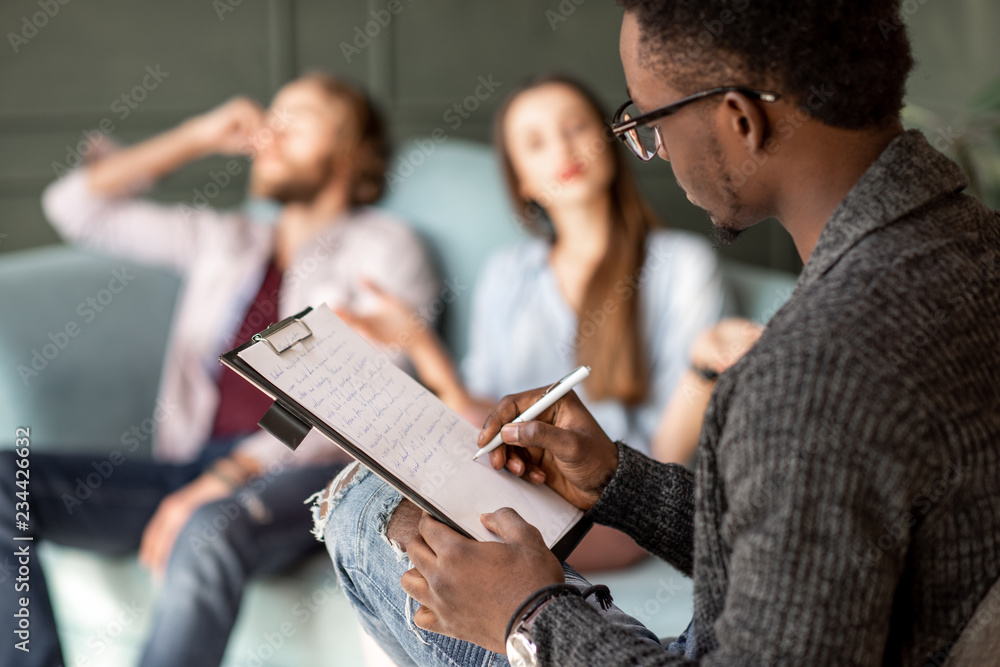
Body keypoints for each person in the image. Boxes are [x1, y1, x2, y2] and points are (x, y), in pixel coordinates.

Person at [314, 1, 1000, 665]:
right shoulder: (969, 249)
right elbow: (815, 558)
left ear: (740, 121)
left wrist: (530, 619)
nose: (651, 148)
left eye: (650, 119)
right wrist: (621, 482)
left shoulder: (809, 371)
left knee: (372, 510)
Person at [0, 73, 439, 667]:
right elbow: (75, 207)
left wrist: (230, 474)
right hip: (191, 465)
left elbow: (351, 397)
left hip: (309, 477)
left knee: (207, 528)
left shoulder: (385, 247)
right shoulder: (225, 240)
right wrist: (198, 135)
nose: (271, 133)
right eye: (271, 119)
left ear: (350, 149)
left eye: (298, 118)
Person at [336, 73, 725, 572]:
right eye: (536, 142)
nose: (563, 149)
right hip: (523, 490)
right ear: (519, 178)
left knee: (435, 559)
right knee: (387, 527)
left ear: (611, 139)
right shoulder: (507, 273)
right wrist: (418, 343)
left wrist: (705, 369)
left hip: (619, 508)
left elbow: (668, 460)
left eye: (575, 127)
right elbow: (481, 421)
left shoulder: (683, 266)